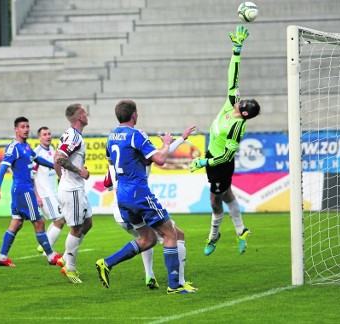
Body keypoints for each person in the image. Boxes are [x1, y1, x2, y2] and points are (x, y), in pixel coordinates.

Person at [95, 99, 193, 294]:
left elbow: (112, 161)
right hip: (139, 193)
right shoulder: (136, 135)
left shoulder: (111, 136)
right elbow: (161, 160)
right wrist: (165, 144)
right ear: (134, 115)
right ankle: (175, 286)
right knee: (170, 234)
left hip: (122, 196)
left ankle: (107, 263)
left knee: (148, 239)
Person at [190, 25, 260, 256]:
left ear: (246, 113)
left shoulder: (237, 127)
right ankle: (241, 230)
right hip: (212, 158)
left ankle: (213, 236)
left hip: (219, 163)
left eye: (243, 104)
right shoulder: (232, 104)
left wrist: (204, 163)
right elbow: (233, 76)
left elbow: (228, 156)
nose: (240, 101)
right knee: (227, 195)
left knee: (214, 200)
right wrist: (236, 50)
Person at [0, 116, 63, 268]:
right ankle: (51, 256)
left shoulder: (27, 146)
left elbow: (38, 160)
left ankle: (2, 257)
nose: (26, 129)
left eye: (27, 126)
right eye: (22, 127)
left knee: (16, 223)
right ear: (16, 129)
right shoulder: (14, 147)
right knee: (39, 222)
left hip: (21, 190)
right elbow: (3, 167)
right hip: (24, 190)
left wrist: (56, 165)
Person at [54, 104, 92, 284]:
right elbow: (59, 158)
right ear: (79, 117)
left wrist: (62, 178)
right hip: (72, 189)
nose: (87, 115)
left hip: (75, 187)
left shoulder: (70, 135)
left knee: (88, 223)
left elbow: (57, 156)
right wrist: (78, 171)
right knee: (76, 229)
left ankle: (64, 258)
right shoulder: (74, 136)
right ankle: (70, 268)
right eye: (84, 112)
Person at [33, 126, 65, 256]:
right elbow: (31, 176)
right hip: (44, 194)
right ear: (39, 137)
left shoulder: (52, 149)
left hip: (53, 192)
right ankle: (47, 250)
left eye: (49, 134)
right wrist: (36, 196)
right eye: (44, 134)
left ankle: (44, 246)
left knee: (59, 219)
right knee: (60, 219)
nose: (48, 136)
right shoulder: (36, 153)